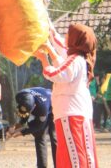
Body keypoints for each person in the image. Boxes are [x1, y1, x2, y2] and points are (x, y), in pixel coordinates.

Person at [36, 24, 98, 168]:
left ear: (76, 40)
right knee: (81, 152)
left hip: (70, 114)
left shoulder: (75, 59)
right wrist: (50, 51)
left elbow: (57, 74)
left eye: (69, 35)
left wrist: (44, 59)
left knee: (73, 156)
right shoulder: (81, 59)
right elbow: (63, 66)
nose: (66, 37)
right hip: (77, 112)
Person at [7, 87, 56, 168]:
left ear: (34, 106)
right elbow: (24, 112)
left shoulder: (42, 108)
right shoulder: (20, 96)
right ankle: (42, 166)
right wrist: (18, 125)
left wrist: (22, 132)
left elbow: (39, 125)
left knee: (54, 137)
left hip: (53, 105)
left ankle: (59, 165)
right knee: (39, 136)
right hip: (41, 99)